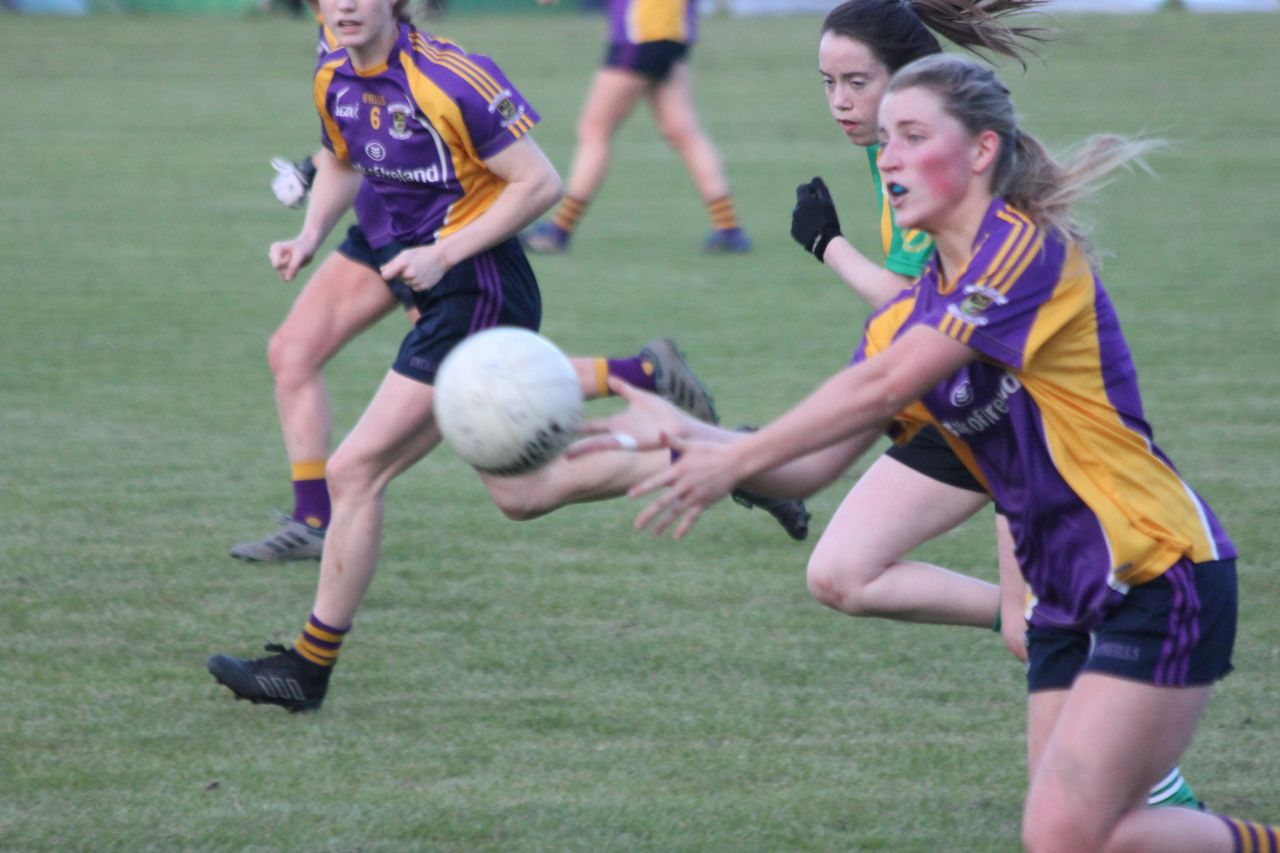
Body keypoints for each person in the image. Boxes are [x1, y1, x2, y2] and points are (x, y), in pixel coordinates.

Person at [579, 54, 1278, 850]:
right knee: (1094, 838)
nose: (889, 158)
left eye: (913, 136)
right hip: (1060, 597)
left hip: (1153, 567)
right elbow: (809, 468)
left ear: (982, 151)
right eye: (884, 140)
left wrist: (729, 458)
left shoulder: (1023, 252)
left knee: (1068, 836)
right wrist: (685, 437)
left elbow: (883, 387)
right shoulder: (903, 318)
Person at [208, 0, 807, 714]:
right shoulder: (333, 72)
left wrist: (446, 251)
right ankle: (730, 461)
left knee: (354, 469)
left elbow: (541, 182)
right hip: (443, 288)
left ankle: (308, 668)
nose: (345, 3)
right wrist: (309, 235)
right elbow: (341, 155)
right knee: (522, 493)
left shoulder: (448, 77)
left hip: (480, 286)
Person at [786, 0, 1214, 810]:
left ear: (908, 85)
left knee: (1031, 658)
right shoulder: (901, 169)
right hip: (958, 408)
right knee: (844, 575)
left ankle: (1163, 789)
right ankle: (1047, 626)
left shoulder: (952, 177)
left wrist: (828, 249)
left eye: (856, 82)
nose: (840, 101)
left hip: (1013, 416)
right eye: (828, 84)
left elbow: (922, 317)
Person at [520, 0, 752, 254]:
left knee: (595, 129)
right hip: (673, 31)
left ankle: (558, 231)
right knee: (684, 132)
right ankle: (728, 227)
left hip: (641, 32)